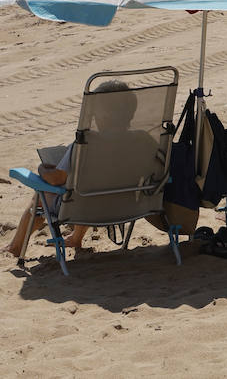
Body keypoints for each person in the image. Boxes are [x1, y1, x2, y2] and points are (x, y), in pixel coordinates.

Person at [6, 80, 148, 257]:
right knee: (94, 183)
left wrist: (42, 169)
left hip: (87, 208)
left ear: (99, 115)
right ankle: (76, 238)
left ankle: (15, 247)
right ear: (131, 114)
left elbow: (56, 179)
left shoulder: (86, 145)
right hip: (131, 206)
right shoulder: (144, 140)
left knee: (42, 195)